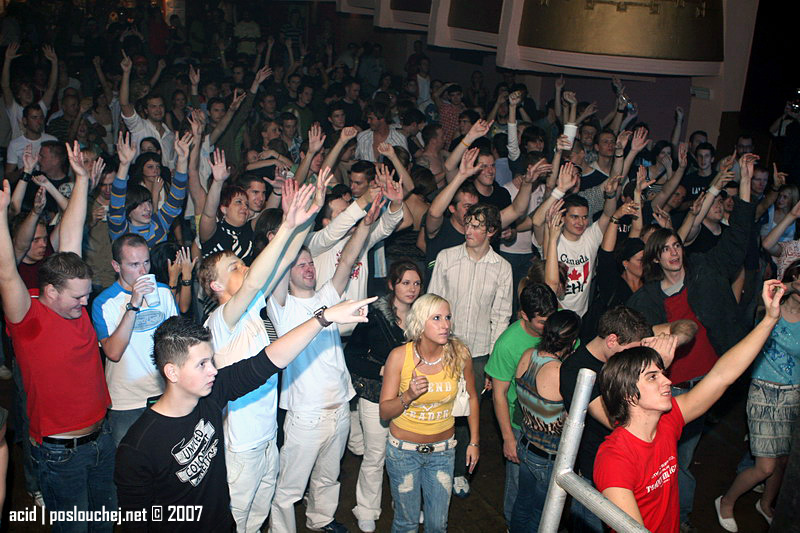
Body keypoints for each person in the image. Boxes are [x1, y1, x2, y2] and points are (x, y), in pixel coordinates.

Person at [114, 299, 375, 532]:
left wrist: (324, 317)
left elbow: (268, 361)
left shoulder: (211, 396)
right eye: (202, 364)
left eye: (212, 361)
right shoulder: (138, 447)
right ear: (172, 372)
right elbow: (134, 523)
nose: (213, 371)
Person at [594, 280, 785, 533]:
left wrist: (769, 319)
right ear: (629, 395)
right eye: (653, 377)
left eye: (661, 373)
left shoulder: (667, 421)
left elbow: (721, 375)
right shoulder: (615, 458)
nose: (668, 380)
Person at [0, 141, 115, 530]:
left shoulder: (71, 292)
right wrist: (1, 215)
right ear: (51, 291)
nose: (85, 303)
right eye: (78, 296)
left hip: (102, 439)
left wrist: (81, 180)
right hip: (60, 453)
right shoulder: (28, 317)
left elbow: (72, 233)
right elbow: (6, 274)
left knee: (104, 524)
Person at [200, 178, 323, 533]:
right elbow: (255, 281)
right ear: (217, 286)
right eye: (235, 268)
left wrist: (304, 218)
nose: (245, 269)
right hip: (241, 446)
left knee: (258, 516)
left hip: (266, 437)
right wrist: (286, 223)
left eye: (242, 263)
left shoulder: (252, 309)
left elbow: (282, 262)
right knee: (235, 520)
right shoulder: (221, 320)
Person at [267, 196, 387, 533]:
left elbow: (347, 260)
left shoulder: (326, 297)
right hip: (305, 415)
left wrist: (365, 225)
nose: (308, 267)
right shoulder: (280, 306)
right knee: (289, 488)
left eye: (309, 263)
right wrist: (290, 230)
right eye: (300, 263)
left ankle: (321, 520)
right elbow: (276, 266)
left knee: (328, 477)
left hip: (339, 410)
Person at [428, 202, 512, 497]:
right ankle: (433, 462)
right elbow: (431, 303)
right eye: (468, 224)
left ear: (491, 231)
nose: (470, 230)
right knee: (438, 406)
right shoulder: (447, 258)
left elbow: (500, 317)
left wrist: (493, 363)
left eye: (477, 225)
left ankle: (459, 471)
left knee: (466, 413)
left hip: (477, 353)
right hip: (443, 348)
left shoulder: (502, 268)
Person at [379, 293, 480, 533]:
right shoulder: (399, 357)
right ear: (420, 322)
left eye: (448, 317)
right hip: (404, 453)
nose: (445, 324)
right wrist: (408, 396)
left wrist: (474, 441)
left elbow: (473, 397)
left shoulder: (459, 354)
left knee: (437, 525)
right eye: (436, 318)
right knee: (406, 523)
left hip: (443, 453)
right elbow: (384, 411)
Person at [716, 261, 800, 531]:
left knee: (783, 460)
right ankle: (726, 501)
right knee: (765, 467)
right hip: (763, 391)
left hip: (793, 395)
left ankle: (764, 504)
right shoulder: (769, 311)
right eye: (798, 279)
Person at [344, 260, 423, 533]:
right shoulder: (374, 316)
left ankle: (406, 504)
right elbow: (352, 357)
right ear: (392, 284)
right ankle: (366, 509)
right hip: (376, 394)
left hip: (412, 396)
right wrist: (384, 370)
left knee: (407, 456)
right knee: (375, 454)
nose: (411, 289)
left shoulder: (424, 317)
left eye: (416, 283)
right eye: (405, 283)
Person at [92, 233, 178, 446]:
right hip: (126, 401)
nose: (143, 271)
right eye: (134, 264)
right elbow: (113, 352)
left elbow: (177, 341)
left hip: (164, 394)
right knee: (131, 468)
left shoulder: (164, 293)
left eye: (146, 262)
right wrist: (134, 304)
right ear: (116, 266)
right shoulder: (104, 303)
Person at [485, 282, 558, 526]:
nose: (548, 328)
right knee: (518, 487)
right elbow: (499, 394)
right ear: (524, 315)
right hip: (521, 424)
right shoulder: (507, 344)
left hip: (555, 426)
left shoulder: (559, 330)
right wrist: (508, 438)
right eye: (541, 322)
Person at [510, 309, 582, 532]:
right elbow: (570, 421)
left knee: (522, 504)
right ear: (572, 341)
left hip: (526, 446)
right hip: (548, 457)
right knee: (541, 514)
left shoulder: (527, 355)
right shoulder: (560, 373)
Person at [108, 132, 190, 246]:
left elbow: (176, 200)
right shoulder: (121, 231)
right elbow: (116, 202)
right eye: (140, 204)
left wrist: (182, 159)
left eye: (149, 202)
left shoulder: (159, 223)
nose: (147, 208)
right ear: (128, 209)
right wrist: (124, 165)